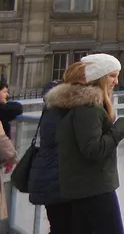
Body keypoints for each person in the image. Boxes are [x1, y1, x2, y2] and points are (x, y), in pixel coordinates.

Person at [47, 54, 124, 234]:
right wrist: (122, 124)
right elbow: (94, 149)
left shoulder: (76, 106)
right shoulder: (89, 108)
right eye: (112, 75)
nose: (116, 82)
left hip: (82, 186)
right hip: (94, 187)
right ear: (98, 77)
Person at [28, 81, 70, 233]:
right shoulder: (61, 112)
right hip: (55, 178)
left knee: (57, 225)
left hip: (46, 175)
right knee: (63, 226)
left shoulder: (50, 109)